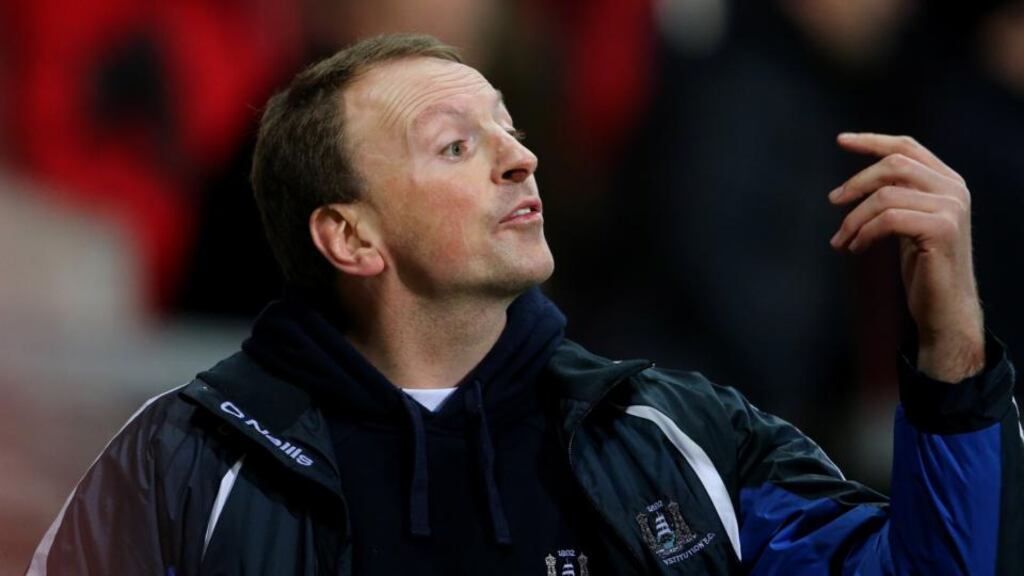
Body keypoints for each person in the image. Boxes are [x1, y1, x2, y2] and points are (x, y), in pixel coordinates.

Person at [27, 33, 1023, 575]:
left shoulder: (677, 438)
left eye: (508, 129)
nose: (520, 156)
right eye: (456, 145)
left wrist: (951, 352)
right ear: (350, 237)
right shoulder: (178, 471)